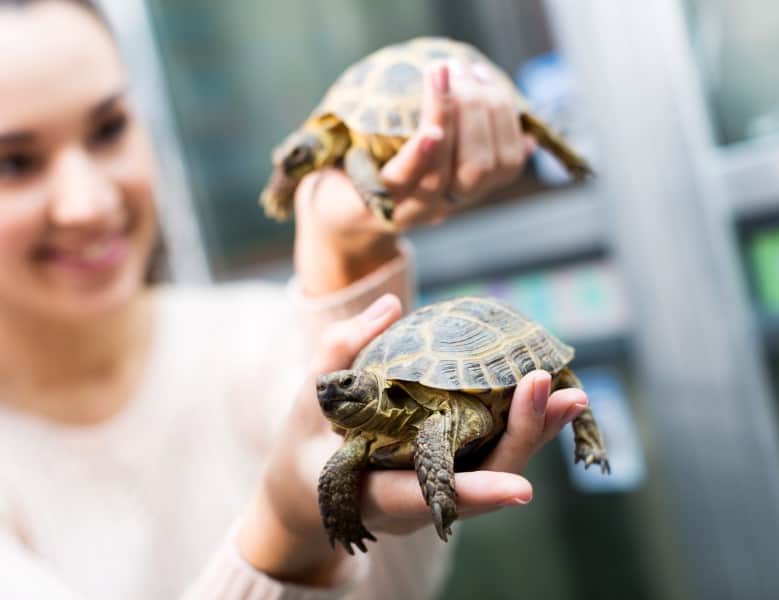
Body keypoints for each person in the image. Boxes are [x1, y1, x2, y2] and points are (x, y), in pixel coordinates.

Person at [0, 1, 590, 598]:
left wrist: (347, 252)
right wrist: (284, 530)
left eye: (109, 128)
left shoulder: (259, 335)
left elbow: (395, 590)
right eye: (14, 163)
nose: (88, 204)